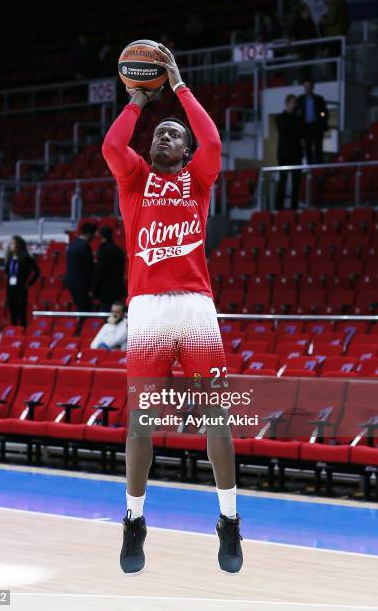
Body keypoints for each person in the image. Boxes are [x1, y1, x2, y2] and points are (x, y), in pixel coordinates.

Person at [102, 44, 242, 575]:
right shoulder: (133, 179)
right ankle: (134, 521)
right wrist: (138, 99)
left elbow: (211, 138)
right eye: (159, 132)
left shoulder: (197, 180)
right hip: (148, 313)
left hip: (196, 308)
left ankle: (229, 520)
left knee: (217, 418)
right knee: (141, 425)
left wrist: (178, 86)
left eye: (174, 134)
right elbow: (113, 143)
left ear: (184, 152)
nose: (166, 134)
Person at [276, 95, 304, 210]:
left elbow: (300, 132)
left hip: (296, 153)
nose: (295, 105)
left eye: (296, 103)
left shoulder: (298, 119)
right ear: (287, 103)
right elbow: (285, 130)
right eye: (293, 103)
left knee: (296, 183)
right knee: (283, 181)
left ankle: (294, 208)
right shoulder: (280, 117)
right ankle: (279, 208)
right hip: (284, 154)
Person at [5, 236, 40, 327]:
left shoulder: (26, 257)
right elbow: (7, 272)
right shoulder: (10, 258)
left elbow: (37, 272)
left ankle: (23, 332)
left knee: (21, 313)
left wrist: (30, 282)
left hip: (20, 288)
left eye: (12, 243)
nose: (10, 245)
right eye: (10, 243)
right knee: (12, 313)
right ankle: (14, 333)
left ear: (18, 245)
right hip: (10, 288)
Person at [92, 226, 126, 311]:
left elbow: (99, 272)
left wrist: (94, 289)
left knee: (106, 314)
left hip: (105, 291)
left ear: (102, 237)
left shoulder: (103, 251)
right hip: (118, 289)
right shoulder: (119, 251)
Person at [65, 222, 96, 314]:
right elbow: (89, 269)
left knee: (81, 308)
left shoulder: (72, 245)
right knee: (85, 310)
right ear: (90, 234)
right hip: (82, 285)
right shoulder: (84, 247)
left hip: (71, 283)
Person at [295, 80, 329, 164]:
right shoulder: (300, 99)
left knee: (318, 147)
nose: (306, 88)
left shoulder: (319, 98)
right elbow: (297, 112)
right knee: (307, 148)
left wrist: (321, 116)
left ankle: (318, 166)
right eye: (305, 86)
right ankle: (310, 166)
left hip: (316, 126)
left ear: (312, 87)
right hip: (305, 127)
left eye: (308, 86)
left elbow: (323, 112)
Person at [289, 3, 317, 80]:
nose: (308, 12)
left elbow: (314, 34)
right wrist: (290, 39)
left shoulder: (311, 22)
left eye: (308, 10)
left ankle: (308, 83)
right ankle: (302, 83)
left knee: (309, 70)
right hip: (301, 50)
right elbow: (291, 32)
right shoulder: (297, 22)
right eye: (306, 10)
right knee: (303, 70)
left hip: (311, 50)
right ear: (302, 12)